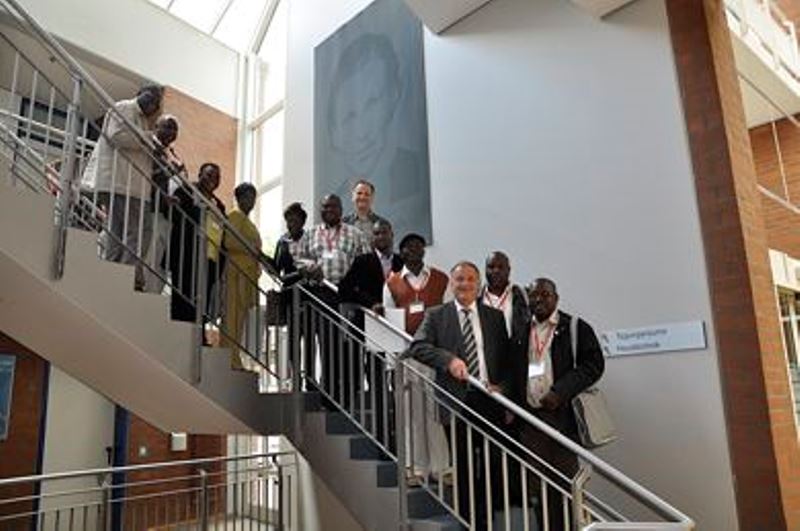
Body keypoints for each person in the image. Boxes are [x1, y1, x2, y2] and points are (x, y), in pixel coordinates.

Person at [409, 262, 511, 530]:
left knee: (492, 465)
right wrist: (449, 360)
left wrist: (503, 387)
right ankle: (469, 523)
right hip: (456, 401)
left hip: (490, 401)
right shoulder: (436, 315)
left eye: (469, 279)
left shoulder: (495, 317)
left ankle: (491, 521)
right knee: (464, 468)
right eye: (459, 279)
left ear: (478, 285)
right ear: (451, 284)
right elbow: (418, 346)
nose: (464, 284)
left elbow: (506, 359)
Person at [515, 278, 605, 531]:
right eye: (533, 295)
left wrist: (560, 391)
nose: (538, 300)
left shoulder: (575, 327)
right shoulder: (522, 331)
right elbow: (515, 370)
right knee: (537, 486)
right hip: (532, 422)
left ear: (556, 297)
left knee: (566, 485)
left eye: (544, 295)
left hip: (562, 420)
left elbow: (593, 365)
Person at [81, 85, 163, 285]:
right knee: (141, 230)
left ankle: (112, 271)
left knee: (119, 231)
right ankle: (126, 274)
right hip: (121, 182)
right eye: (150, 96)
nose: (152, 102)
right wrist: (148, 138)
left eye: (156, 100)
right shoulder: (125, 107)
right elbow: (115, 136)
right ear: (139, 94)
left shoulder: (143, 120)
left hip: (129, 184)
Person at [297, 194, 370, 407]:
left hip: (346, 296)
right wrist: (308, 266)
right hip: (320, 294)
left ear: (341, 209)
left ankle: (347, 394)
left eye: (333, 206)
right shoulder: (310, 234)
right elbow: (300, 258)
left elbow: (365, 264)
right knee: (326, 346)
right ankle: (328, 393)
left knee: (347, 346)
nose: (329, 210)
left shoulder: (355, 233)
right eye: (325, 206)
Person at [338, 219, 403, 446]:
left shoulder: (402, 262)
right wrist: (370, 302)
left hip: (398, 330)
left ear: (391, 233)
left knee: (400, 384)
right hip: (370, 327)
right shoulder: (363, 260)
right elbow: (345, 289)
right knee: (377, 382)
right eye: (376, 234)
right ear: (371, 238)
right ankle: (382, 437)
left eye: (384, 232)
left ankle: (400, 439)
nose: (380, 237)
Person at [169, 163, 226, 327]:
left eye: (217, 177)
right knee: (183, 296)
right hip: (186, 256)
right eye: (209, 175)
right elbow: (175, 213)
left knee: (203, 300)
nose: (213, 180)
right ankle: (180, 331)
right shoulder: (186, 191)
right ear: (199, 174)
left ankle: (199, 335)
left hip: (209, 260)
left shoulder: (219, 205)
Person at [221, 183, 262, 369]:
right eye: (247, 196)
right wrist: (251, 249)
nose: (250, 200)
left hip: (248, 275)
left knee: (240, 319)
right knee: (232, 316)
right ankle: (228, 357)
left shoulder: (249, 221)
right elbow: (229, 241)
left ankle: (234, 355)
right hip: (236, 272)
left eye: (253, 196)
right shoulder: (235, 216)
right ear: (238, 198)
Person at [142, 114, 184, 294]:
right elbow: (145, 175)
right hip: (150, 210)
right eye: (167, 127)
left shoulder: (170, 153)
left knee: (160, 259)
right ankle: (145, 291)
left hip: (167, 214)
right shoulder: (149, 146)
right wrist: (171, 171)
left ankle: (154, 294)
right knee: (149, 255)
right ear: (156, 127)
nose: (171, 132)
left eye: (174, 129)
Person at [382, 233, 448, 335]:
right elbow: (390, 318)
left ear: (423, 252)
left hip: (437, 341)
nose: (414, 249)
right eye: (409, 246)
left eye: (418, 246)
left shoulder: (442, 278)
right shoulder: (391, 284)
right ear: (401, 253)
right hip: (406, 343)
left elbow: (450, 311)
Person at [274, 202, 307, 277]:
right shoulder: (282, 241)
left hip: (306, 287)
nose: (292, 224)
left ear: (303, 222)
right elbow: (276, 269)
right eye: (289, 221)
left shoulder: (310, 241)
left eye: (295, 221)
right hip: (288, 286)